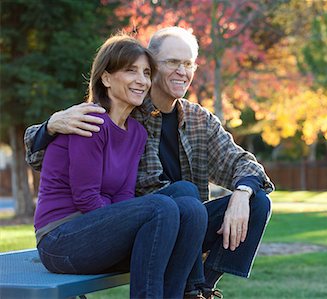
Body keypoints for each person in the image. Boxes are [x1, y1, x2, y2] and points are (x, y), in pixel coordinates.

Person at [25, 26, 274, 299]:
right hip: (108, 225)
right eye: (172, 62)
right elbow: (43, 158)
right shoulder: (101, 117)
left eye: (188, 64)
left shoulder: (179, 123)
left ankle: (198, 289)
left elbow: (243, 163)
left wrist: (242, 192)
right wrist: (50, 126)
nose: (181, 71)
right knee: (175, 199)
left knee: (236, 200)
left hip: (166, 223)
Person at [32, 32, 207, 299]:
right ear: (105, 78)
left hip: (99, 232)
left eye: (147, 73)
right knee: (161, 207)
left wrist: (128, 224)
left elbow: (124, 196)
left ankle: (189, 293)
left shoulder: (136, 132)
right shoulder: (88, 121)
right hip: (61, 240)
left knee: (188, 200)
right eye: (131, 71)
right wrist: (131, 225)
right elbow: (86, 197)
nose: (142, 80)